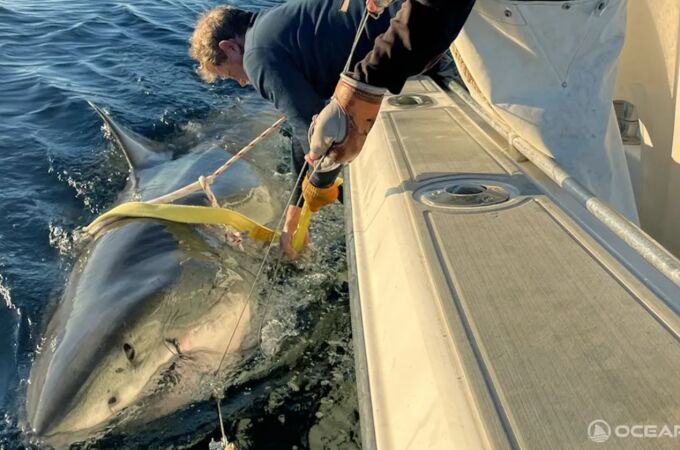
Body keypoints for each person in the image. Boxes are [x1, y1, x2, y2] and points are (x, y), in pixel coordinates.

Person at [190, 0, 402, 257]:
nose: (243, 83)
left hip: (411, 28)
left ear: (230, 47)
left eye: (231, 74)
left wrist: (321, 187)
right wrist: (296, 206)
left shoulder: (257, 57)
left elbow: (323, 140)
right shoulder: (276, 27)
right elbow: (305, 124)